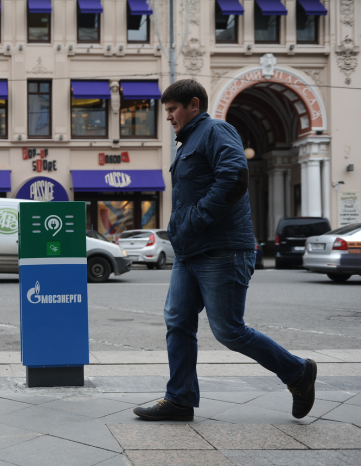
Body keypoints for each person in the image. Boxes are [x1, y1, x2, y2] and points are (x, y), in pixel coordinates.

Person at [133, 80, 316, 422]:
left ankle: (298, 373)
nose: (169, 116)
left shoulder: (217, 130)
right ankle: (180, 399)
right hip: (190, 252)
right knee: (178, 322)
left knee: (229, 330)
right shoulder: (187, 142)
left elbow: (234, 177)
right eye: (167, 110)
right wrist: (182, 230)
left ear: (194, 104)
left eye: (173, 109)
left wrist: (196, 221)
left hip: (222, 249)